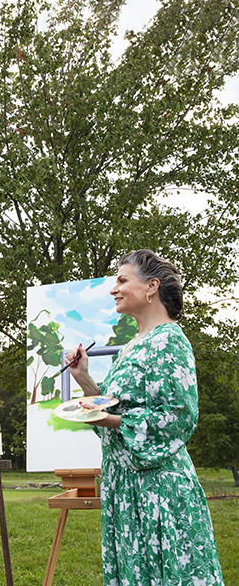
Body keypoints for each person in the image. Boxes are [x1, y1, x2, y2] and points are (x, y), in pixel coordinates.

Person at [65, 250, 224, 586]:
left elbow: (179, 418)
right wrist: (84, 379)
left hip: (159, 491)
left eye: (122, 280)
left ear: (151, 287)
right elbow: (115, 407)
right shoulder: (131, 346)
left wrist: (110, 421)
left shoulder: (169, 341)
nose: (114, 289)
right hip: (126, 488)